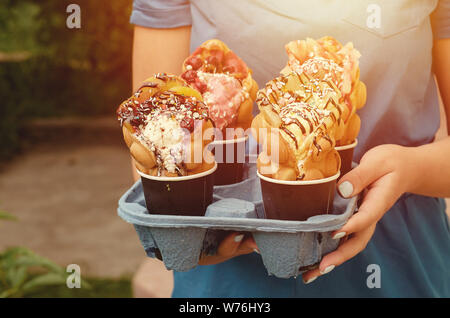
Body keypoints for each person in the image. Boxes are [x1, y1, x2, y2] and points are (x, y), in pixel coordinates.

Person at [128, 0, 450, 297]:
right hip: (229, 282)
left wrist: (409, 168)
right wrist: (194, 236)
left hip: (398, 264)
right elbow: (151, 149)